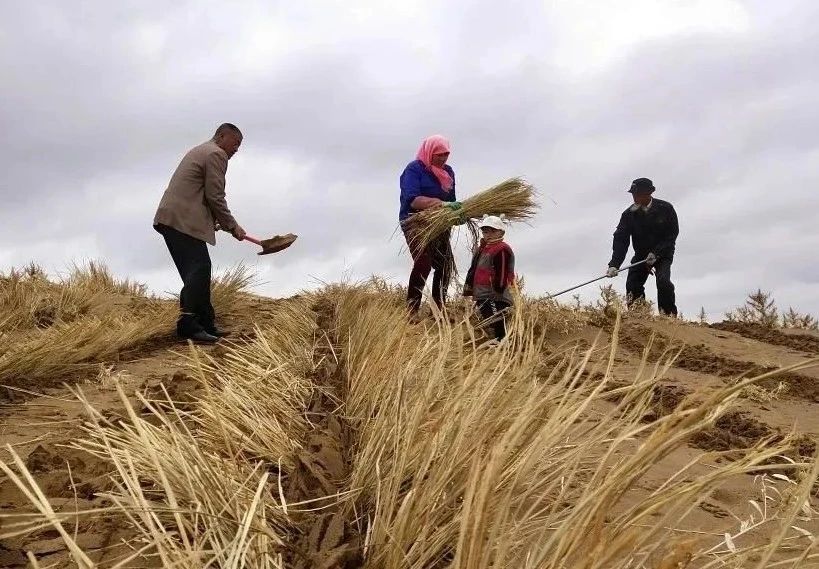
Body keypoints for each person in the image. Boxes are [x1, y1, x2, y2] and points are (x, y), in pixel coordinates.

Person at [153, 123, 247, 343]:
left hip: (174, 218)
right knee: (200, 268)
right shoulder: (216, 154)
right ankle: (188, 324)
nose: (236, 149)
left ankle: (205, 323)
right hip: (181, 220)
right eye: (235, 143)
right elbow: (215, 196)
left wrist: (217, 221)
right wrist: (232, 226)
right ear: (221, 136)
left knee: (197, 270)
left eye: (239, 146)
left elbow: (200, 193)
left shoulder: (202, 150)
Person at [399, 135, 463, 316]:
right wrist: (442, 204)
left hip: (439, 222)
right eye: (439, 155)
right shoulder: (414, 169)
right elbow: (413, 200)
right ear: (429, 152)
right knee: (424, 263)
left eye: (446, 154)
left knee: (445, 264)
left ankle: (438, 309)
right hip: (415, 221)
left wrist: (457, 214)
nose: (443, 158)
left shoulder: (448, 172)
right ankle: (412, 309)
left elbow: (452, 200)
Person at [606, 177, 679, 316]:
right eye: (633, 194)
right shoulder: (628, 215)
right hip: (641, 255)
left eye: (638, 194)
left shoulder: (666, 208)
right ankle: (638, 315)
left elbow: (672, 235)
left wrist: (656, 253)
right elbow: (621, 240)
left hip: (663, 254)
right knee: (632, 284)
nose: (635, 197)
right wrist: (614, 264)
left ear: (649, 193)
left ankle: (668, 317)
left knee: (663, 281)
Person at [464, 215, 516, 342]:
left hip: (495, 295)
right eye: (486, 231)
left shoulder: (502, 249)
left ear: (501, 232)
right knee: (490, 319)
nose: (489, 235)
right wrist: (469, 287)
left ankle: (503, 343)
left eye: (493, 231)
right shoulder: (482, 248)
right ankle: (498, 341)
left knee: (497, 319)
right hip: (482, 294)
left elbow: (502, 273)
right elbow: (473, 269)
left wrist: (498, 290)